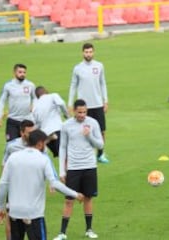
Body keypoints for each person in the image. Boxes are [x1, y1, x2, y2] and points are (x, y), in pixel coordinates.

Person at [0, 129, 84, 240]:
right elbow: (54, 183)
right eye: (45, 143)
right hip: (34, 213)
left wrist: (0, 207)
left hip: (15, 211)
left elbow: (3, 183)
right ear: (39, 144)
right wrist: (75, 194)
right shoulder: (43, 159)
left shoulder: (13, 157)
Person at [53, 99, 104, 240]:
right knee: (69, 200)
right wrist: (62, 171)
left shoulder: (93, 123)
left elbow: (100, 145)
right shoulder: (66, 125)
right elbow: (62, 147)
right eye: (79, 112)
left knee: (88, 198)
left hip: (89, 166)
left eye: (84, 112)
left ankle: (89, 229)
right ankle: (62, 233)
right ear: (74, 111)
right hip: (73, 168)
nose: (82, 115)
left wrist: (89, 135)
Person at [68, 42, 109, 163]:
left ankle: (101, 154)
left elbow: (103, 83)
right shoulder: (78, 68)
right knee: (84, 130)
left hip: (97, 104)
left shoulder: (99, 66)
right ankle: (87, 153)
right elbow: (73, 85)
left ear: (93, 52)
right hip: (83, 107)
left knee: (101, 130)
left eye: (90, 52)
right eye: (86, 52)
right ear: (82, 53)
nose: (88, 54)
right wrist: (70, 103)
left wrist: (105, 100)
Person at [1, 119, 35, 240]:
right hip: (14, 188)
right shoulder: (11, 145)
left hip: (31, 189)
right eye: (29, 132)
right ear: (22, 133)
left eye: (33, 131)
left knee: (32, 220)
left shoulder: (37, 144)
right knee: (11, 219)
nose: (32, 135)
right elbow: (3, 166)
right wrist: (5, 185)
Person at [0, 63, 36, 142]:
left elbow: (35, 98)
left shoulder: (30, 85)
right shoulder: (8, 86)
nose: (22, 74)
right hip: (12, 121)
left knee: (28, 146)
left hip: (27, 121)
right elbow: (2, 101)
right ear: (14, 73)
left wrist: (33, 105)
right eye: (20, 72)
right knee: (11, 145)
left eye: (24, 72)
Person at [33, 86, 70, 157]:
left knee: (60, 156)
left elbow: (37, 124)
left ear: (37, 96)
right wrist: (67, 115)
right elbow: (61, 103)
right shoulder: (53, 96)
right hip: (57, 130)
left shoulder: (35, 106)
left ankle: (50, 139)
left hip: (45, 135)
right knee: (66, 157)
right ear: (46, 91)